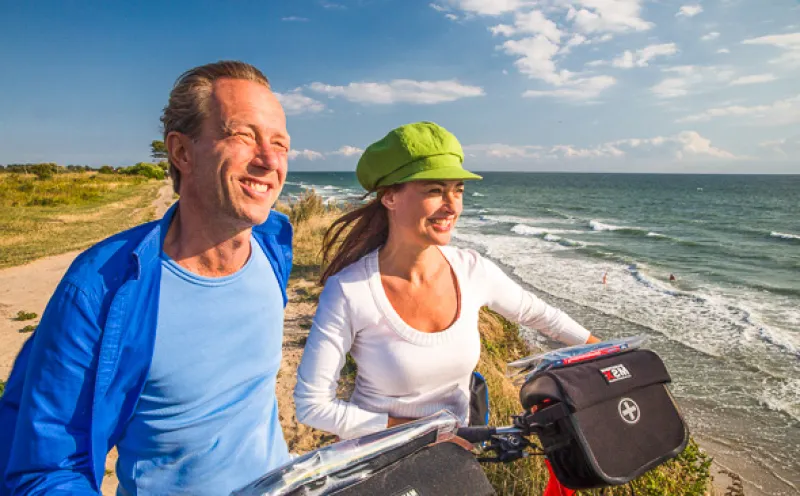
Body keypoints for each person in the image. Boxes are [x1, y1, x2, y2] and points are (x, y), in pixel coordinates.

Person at [0, 61, 294, 495]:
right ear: (181, 152)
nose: (269, 160)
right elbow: (47, 469)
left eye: (280, 143)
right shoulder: (101, 287)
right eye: (243, 136)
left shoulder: (274, 244)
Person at [293, 122, 600, 441]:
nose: (452, 206)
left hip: (456, 456)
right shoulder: (350, 290)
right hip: (378, 458)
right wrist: (427, 433)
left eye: (458, 190)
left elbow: (539, 316)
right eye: (435, 190)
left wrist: (610, 354)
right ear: (390, 198)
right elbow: (312, 406)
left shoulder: (471, 270)